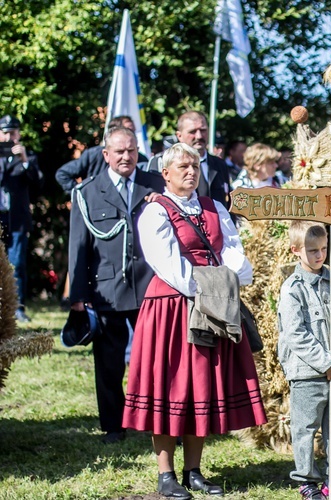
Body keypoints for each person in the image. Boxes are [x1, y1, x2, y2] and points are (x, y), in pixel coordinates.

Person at [122, 143, 267, 499]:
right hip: (173, 307)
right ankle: (165, 474)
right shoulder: (155, 212)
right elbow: (170, 266)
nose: (191, 172)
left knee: (200, 386)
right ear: (166, 173)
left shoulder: (214, 206)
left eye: (196, 166)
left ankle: (194, 471)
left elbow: (235, 255)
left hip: (213, 302)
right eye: (183, 167)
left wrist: (227, 280)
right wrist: (212, 284)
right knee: (171, 388)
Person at [68, 126, 165, 443]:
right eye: (120, 152)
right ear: (105, 155)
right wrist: (79, 297)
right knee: (109, 364)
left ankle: (159, 420)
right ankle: (113, 425)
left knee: (156, 360)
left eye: (132, 151)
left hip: (150, 287)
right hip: (106, 290)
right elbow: (78, 248)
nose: (126, 157)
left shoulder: (155, 185)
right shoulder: (87, 192)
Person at [277, 221, 331, 500]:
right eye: (313, 250)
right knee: (305, 428)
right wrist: (326, 362)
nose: (320, 255)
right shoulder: (292, 288)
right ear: (296, 250)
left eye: (324, 249)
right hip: (307, 372)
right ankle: (306, 481)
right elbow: (295, 334)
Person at [0, 115, 43, 323]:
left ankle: (17, 307)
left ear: (19, 134)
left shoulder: (28, 158)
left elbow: (37, 184)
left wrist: (24, 160)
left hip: (17, 220)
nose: (9, 137)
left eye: (13, 133)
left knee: (16, 264)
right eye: (5, 132)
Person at [148, 111, 231, 209]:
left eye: (203, 130)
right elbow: (153, 196)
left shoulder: (219, 164)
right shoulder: (160, 162)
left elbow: (228, 202)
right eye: (192, 132)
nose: (199, 136)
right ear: (179, 136)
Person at [55, 116, 149, 194]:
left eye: (133, 131)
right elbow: (63, 174)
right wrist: (81, 195)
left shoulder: (141, 159)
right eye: (128, 130)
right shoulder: (93, 155)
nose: (126, 157)